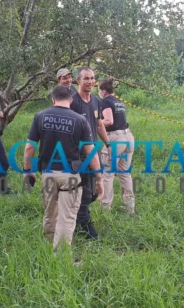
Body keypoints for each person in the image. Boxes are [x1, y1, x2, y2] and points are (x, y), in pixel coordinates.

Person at [23, 86, 104, 250]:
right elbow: (91, 153)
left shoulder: (40, 116)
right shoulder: (80, 120)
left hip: (48, 174)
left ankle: (48, 248)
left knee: (50, 213)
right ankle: (59, 257)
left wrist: (27, 170)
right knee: (67, 217)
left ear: (53, 99)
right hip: (70, 176)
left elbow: (29, 147)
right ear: (71, 100)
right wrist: (99, 178)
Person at [69, 67, 111, 239]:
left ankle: (78, 216)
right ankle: (85, 227)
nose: (90, 82)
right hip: (77, 154)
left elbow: (99, 124)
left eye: (92, 78)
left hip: (93, 153)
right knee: (86, 192)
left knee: (94, 191)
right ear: (78, 81)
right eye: (86, 78)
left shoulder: (95, 101)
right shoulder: (73, 101)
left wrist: (108, 144)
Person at [98, 77, 135, 214]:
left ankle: (105, 209)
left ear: (103, 91)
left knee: (108, 174)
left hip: (115, 138)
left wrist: (95, 122)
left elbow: (108, 120)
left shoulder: (105, 101)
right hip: (128, 137)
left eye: (99, 90)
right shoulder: (119, 102)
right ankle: (130, 207)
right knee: (124, 173)